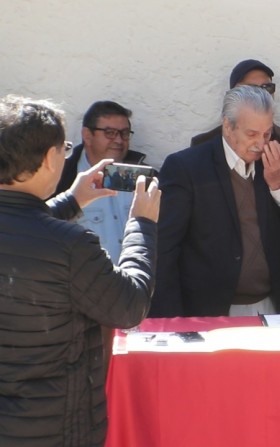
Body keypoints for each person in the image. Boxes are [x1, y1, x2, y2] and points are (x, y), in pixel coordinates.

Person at [0, 95, 160, 446]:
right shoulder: (70, 245)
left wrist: (72, 199)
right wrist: (142, 224)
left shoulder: (52, 235)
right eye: (64, 147)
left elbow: (23, 224)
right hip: (52, 426)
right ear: (48, 159)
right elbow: (129, 306)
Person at [150, 85, 280, 317]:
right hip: (207, 313)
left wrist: (278, 185)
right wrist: (171, 320)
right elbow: (163, 249)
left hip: (268, 307)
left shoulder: (274, 163)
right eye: (251, 134)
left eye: (267, 134)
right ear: (228, 126)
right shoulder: (187, 168)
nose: (261, 143)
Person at [191, 59, 280, 310]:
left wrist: (271, 266)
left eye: (267, 88)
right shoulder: (202, 147)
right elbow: (195, 226)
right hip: (214, 296)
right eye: (250, 89)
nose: (260, 95)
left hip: (273, 292)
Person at [53, 100, 153, 264]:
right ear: (87, 135)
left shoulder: (145, 178)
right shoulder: (62, 178)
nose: (119, 140)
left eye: (125, 133)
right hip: (84, 285)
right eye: (110, 133)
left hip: (138, 283)